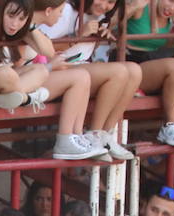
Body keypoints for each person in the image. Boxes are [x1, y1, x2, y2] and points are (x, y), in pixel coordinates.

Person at [0, 0, 103, 161]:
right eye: (11, 16)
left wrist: (29, 27)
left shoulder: (20, 30)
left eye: (22, 18)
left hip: (4, 87)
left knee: (42, 69)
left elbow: (49, 51)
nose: (14, 24)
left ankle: (17, 98)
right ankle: (26, 98)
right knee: (6, 73)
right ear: (2, 11)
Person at [31, 0, 138, 159]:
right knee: (119, 71)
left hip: (79, 69)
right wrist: (79, 35)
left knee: (135, 71)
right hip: (57, 70)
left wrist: (100, 36)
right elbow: (38, 50)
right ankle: (94, 136)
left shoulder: (100, 16)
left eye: (111, 2)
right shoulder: (64, 11)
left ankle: (105, 135)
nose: (104, 5)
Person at [125, 0, 174, 147]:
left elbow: (158, 43)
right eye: (171, 0)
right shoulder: (142, 7)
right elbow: (112, 23)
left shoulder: (169, 18)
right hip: (129, 63)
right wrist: (132, 7)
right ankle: (168, 125)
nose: (172, 8)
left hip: (151, 63)